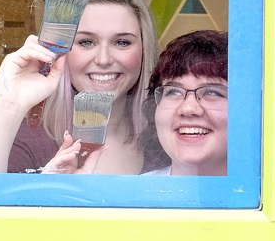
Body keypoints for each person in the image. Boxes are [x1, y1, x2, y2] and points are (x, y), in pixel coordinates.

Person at [0, 0, 159, 174]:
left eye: (122, 42)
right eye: (86, 42)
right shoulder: (32, 141)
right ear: (63, 51)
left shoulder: (164, 141)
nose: (103, 59)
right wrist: (7, 106)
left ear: (144, 50)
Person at [43, 30, 228, 176]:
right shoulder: (134, 198)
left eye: (212, 92)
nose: (188, 108)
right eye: (173, 91)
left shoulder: (255, 200)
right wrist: (62, 196)